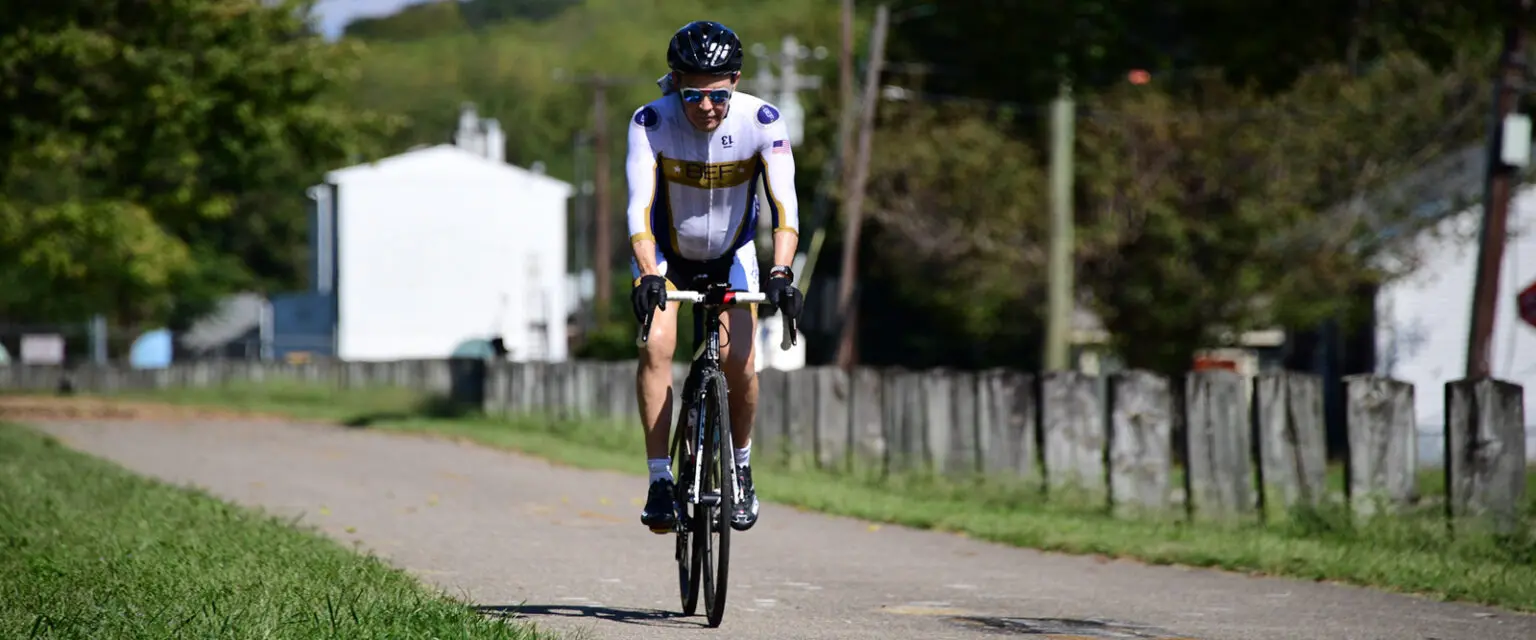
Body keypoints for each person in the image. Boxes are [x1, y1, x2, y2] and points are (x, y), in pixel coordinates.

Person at [626, 20, 805, 535]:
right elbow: (638, 206)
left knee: (741, 361)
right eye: (693, 95)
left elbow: (784, 205)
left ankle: (741, 467)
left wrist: (781, 270)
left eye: (719, 95)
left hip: (734, 252)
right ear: (674, 83)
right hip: (666, 254)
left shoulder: (762, 121)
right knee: (656, 347)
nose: (706, 107)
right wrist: (645, 274)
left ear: (736, 81)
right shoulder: (650, 122)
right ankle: (661, 479)